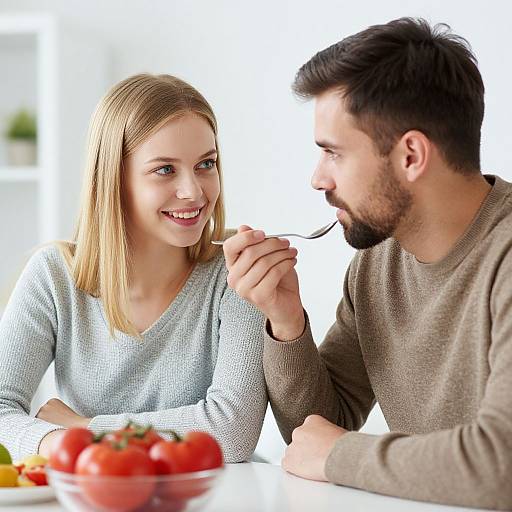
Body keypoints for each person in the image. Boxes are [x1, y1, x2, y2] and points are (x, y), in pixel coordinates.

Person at [223, 18, 512, 510]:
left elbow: (499, 468)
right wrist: (286, 320)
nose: (317, 179)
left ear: (411, 155)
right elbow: (313, 432)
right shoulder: (378, 264)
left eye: (333, 153)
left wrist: (339, 454)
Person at [0, 73, 267, 463]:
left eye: (205, 164)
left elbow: (232, 431)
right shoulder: (54, 276)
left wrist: (85, 428)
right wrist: (63, 443)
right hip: (97, 496)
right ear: (113, 178)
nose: (194, 190)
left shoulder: (237, 271)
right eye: (165, 170)